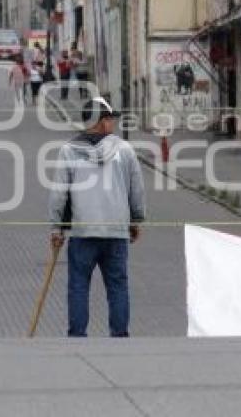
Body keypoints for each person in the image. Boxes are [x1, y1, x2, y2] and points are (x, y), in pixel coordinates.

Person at [48, 97, 146, 337]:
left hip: (83, 232)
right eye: (110, 119)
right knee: (117, 286)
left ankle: (78, 335)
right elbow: (137, 190)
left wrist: (56, 228)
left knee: (79, 286)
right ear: (101, 122)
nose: (113, 124)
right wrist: (136, 219)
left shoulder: (69, 151)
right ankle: (120, 334)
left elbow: (59, 192)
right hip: (116, 231)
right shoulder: (124, 150)